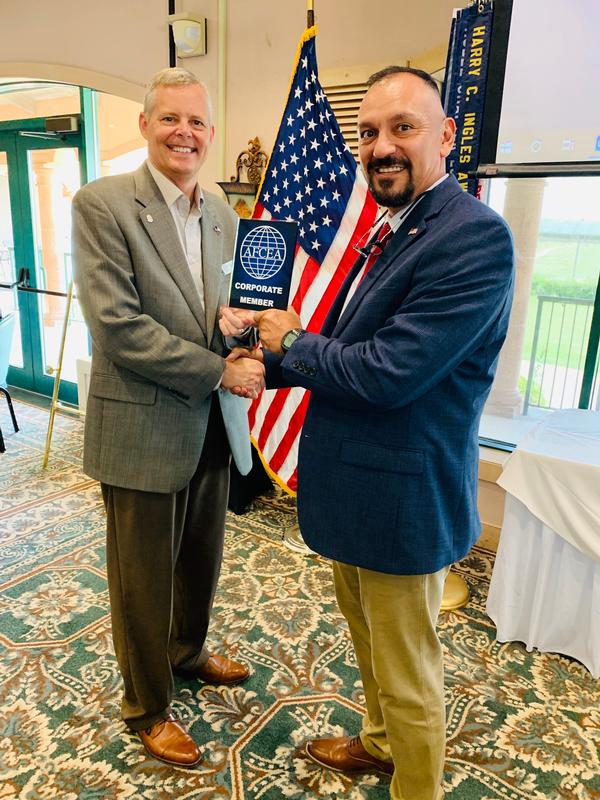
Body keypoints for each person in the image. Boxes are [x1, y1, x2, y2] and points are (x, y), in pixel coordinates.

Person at [220, 66, 514, 800]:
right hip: (357, 490)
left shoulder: (472, 237)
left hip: (403, 503)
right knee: (369, 642)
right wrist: (265, 364)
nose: (382, 147)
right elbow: (348, 350)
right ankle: (380, 744)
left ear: (445, 136)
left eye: (403, 128)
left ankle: (416, 785)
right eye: (370, 132)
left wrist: (289, 345)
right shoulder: (394, 228)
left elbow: (387, 373)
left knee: (409, 668)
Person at [72, 67, 265, 768]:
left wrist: (236, 326)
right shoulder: (103, 205)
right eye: (171, 119)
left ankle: (186, 652)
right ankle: (148, 704)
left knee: (198, 560)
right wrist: (221, 368)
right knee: (142, 577)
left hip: (210, 425)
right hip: (142, 424)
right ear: (145, 125)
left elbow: (211, 305)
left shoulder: (219, 211)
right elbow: (119, 326)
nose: (185, 132)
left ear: (210, 135)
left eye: (197, 123)